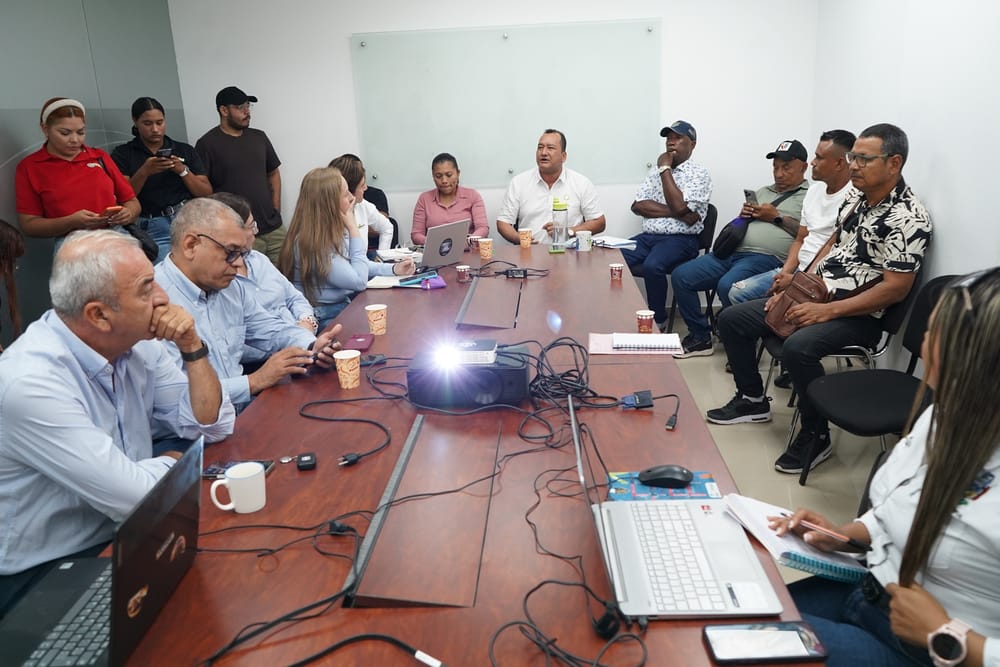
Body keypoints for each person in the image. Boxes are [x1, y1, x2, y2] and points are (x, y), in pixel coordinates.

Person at [770, 268, 1000, 667]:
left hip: (932, 650)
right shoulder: (950, 411)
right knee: (732, 611)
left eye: (940, 328)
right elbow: (906, 501)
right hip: (871, 589)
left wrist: (949, 638)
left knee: (732, 643)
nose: (926, 336)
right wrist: (846, 535)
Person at [0, 230, 235, 616]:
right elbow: (137, 500)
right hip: (45, 573)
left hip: (125, 536)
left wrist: (192, 345)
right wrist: (176, 460)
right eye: (146, 289)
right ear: (98, 315)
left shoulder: (138, 345)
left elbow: (214, 424)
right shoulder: (30, 383)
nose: (163, 299)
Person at [707, 124, 933, 475]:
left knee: (798, 347)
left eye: (863, 159)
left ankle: (816, 434)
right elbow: (830, 244)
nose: (854, 165)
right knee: (732, 319)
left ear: (894, 163)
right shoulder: (856, 199)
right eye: (853, 157)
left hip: (860, 315)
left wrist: (826, 311)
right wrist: (794, 285)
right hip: (819, 294)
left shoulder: (909, 219)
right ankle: (752, 399)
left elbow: (895, 288)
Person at [154, 198, 342, 409]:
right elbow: (175, 401)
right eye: (230, 252)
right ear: (191, 245)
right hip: (190, 434)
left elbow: (271, 330)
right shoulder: (154, 303)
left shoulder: (229, 288)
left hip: (238, 411)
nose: (238, 263)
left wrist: (310, 345)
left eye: (242, 254)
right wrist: (255, 381)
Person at [670, 139, 810, 357]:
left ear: (804, 167)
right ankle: (701, 336)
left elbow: (808, 235)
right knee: (681, 275)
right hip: (732, 253)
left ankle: (740, 345)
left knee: (728, 285)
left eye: (786, 168)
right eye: (775, 167)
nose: (779, 174)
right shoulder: (763, 192)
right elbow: (740, 224)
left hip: (766, 258)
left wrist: (777, 217)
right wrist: (744, 216)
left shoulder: (810, 196)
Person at [728, 130, 856, 305]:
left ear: (839, 163)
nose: (813, 162)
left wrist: (798, 282)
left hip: (821, 278)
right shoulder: (814, 192)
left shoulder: (854, 199)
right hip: (796, 268)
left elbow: (834, 252)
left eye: (819, 158)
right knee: (737, 292)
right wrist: (785, 273)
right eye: (775, 167)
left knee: (740, 296)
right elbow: (801, 239)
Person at [279, 168, 415, 329]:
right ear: (329, 203)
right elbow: (358, 281)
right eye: (345, 194)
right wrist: (353, 228)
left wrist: (393, 269)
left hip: (341, 306)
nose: (351, 197)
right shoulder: (313, 243)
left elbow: (358, 264)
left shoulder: (329, 230)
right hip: (323, 316)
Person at [621, 121, 713, 332]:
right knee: (612, 258)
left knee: (653, 265)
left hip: (682, 240)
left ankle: (657, 321)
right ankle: (622, 313)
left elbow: (680, 205)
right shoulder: (655, 172)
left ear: (693, 144)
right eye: (668, 138)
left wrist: (665, 169)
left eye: (678, 138)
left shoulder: (699, 174)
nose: (671, 142)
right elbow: (638, 205)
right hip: (649, 237)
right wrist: (680, 212)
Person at [15, 98, 140, 249]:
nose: (75, 140)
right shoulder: (30, 167)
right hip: (72, 246)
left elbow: (133, 202)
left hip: (115, 238)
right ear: (45, 129)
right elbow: (29, 225)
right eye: (65, 133)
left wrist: (128, 214)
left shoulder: (99, 157)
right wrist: (71, 222)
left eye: (81, 132)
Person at [208, 192, 317, 363]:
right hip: (264, 363)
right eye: (251, 226)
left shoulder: (258, 259)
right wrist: (295, 347)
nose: (256, 232)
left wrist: (307, 330)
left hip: (295, 345)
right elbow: (237, 344)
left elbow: (294, 298)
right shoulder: (219, 280)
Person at [111, 97, 212, 263]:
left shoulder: (183, 149)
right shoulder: (123, 154)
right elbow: (123, 197)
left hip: (186, 217)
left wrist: (182, 171)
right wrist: (144, 171)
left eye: (160, 122)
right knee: (163, 275)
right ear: (135, 121)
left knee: (199, 267)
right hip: (150, 225)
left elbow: (206, 191)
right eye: (147, 123)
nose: (155, 129)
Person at [195, 86, 285, 265]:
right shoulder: (207, 143)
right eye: (240, 107)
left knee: (285, 277)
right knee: (250, 282)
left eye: (248, 106)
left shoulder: (259, 137)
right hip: (239, 233)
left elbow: (273, 173)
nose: (247, 112)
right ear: (224, 110)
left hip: (274, 228)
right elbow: (204, 190)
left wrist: (276, 209)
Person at [496, 129, 606, 245]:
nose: (543, 152)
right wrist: (519, 238)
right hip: (530, 254)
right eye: (540, 147)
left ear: (563, 156)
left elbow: (599, 222)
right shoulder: (518, 183)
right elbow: (503, 223)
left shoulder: (581, 183)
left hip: (570, 254)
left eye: (550, 148)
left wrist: (568, 231)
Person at [411, 152, 489, 245]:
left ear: (458, 173)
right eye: (438, 176)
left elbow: (483, 228)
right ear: (433, 176)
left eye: (449, 175)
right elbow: (416, 234)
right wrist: (433, 243)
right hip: (435, 252)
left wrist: (468, 241)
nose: (444, 181)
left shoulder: (472, 196)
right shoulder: (424, 199)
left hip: (467, 250)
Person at [328, 154, 394, 256]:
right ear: (348, 190)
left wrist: (381, 257)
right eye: (362, 185)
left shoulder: (362, 205)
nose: (366, 188)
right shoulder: (324, 219)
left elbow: (387, 227)